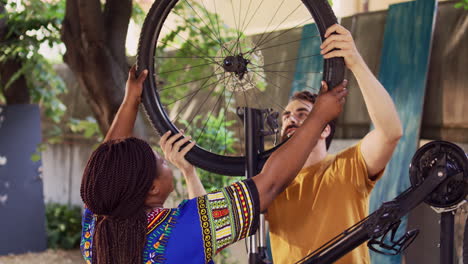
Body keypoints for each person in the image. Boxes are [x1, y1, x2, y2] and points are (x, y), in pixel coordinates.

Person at [79, 63, 348, 264]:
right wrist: (318, 117)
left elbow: (107, 169)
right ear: (151, 189)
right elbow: (269, 184)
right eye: (160, 161)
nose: (164, 160)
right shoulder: (180, 231)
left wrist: (131, 101)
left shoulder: (97, 232)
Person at [266, 24, 403, 264]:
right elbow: (220, 225)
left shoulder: (347, 166)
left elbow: (390, 132)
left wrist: (355, 61)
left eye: (302, 113)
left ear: (324, 128)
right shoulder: (273, 185)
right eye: (286, 115)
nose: (290, 119)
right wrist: (189, 172)